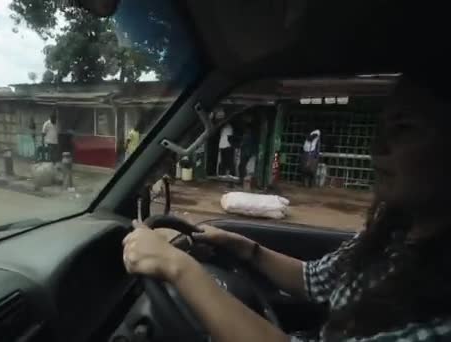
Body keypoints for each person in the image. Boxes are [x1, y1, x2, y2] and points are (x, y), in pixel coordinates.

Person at [122, 76, 451, 341]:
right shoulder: (390, 233)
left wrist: (178, 268)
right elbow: (314, 279)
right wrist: (243, 247)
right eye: (381, 130)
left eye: (404, 128)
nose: (377, 149)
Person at [237, 121, 254, 186]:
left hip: (244, 153)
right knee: (243, 166)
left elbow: (241, 144)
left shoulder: (246, 136)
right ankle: (242, 180)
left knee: (241, 166)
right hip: (248, 153)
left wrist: (238, 144)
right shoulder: (251, 136)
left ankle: (241, 181)